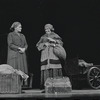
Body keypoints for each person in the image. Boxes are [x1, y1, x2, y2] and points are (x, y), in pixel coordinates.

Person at [36, 24, 66, 89]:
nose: (47, 30)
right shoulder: (43, 37)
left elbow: (61, 43)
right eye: (45, 29)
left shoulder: (55, 35)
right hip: (45, 56)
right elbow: (38, 45)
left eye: (48, 29)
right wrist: (44, 44)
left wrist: (54, 41)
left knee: (54, 68)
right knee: (46, 69)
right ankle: (46, 87)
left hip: (53, 55)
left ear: (51, 29)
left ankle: (57, 86)